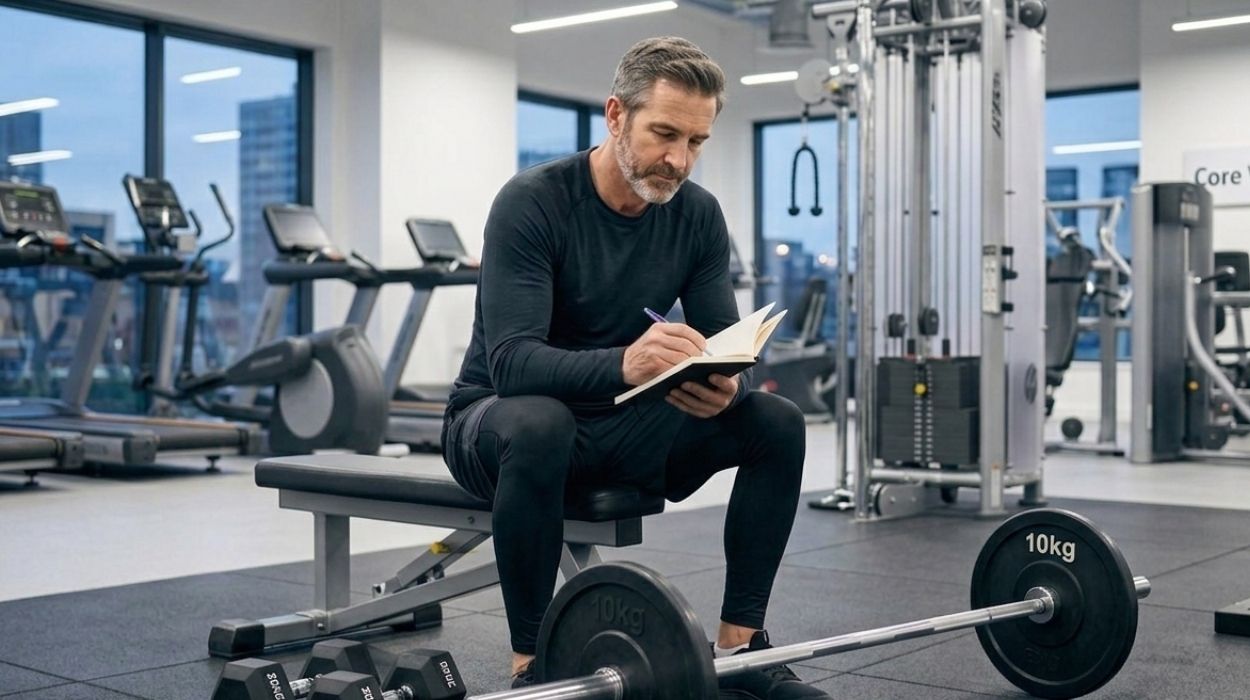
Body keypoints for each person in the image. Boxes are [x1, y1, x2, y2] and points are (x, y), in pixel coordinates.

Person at [442, 36, 826, 699]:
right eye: (664, 134)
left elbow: (714, 340)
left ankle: (740, 648)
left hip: (617, 420)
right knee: (539, 422)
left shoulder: (698, 216)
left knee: (775, 421)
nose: (678, 160)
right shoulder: (532, 203)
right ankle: (533, 663)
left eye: (696, 142)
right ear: (616, 116)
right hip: (497, 424)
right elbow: (511, 366)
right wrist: (627, 362)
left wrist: (720, 385)